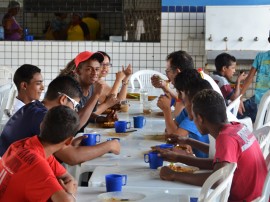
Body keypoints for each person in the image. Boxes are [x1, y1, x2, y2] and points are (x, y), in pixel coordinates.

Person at [159, 89, 267, 201]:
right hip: (259, 197)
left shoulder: (226, 138)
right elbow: (218, 165)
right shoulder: (237, 127)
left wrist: (174, 175)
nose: (193, 121)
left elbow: (218, 180)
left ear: (200, 118)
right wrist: (180, 154)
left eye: (194, 117)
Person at [0, 76, 120, 165]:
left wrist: (63, 145)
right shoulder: (43, 118)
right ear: (63, 99)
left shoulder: (36, 108)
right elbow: (72, 158)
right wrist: (110, 145)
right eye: (75, 105)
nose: (74, 110)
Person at [0, 105, 78, 201]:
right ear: (68, 141)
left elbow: (68, 178)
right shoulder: (37, 164)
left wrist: (68, 187)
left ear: (41, 125)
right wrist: (70, 194)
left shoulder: (22, 145)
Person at [158, 69, 212, 158]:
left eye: (180, 92)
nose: (178, 96)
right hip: (199, 158)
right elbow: (171, 133)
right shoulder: (189, 109)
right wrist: (186, 142)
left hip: (203, 161)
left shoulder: (198, 111)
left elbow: (173, 137)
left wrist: (166, 110)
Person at [60, 51, 119, 124]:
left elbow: (88, 113)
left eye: (97, 69)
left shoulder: (91, 87)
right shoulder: (70, 90)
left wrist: (101, 119)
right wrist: (96, 95)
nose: (95, 73)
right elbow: (74, 122)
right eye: (89, 69)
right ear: (78, 71)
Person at [152, 50, 194, 116]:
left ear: (177, 72)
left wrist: (166, 110)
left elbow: (176, 123)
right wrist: (164, 87)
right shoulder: (190, 84)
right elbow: (178, 103)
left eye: (168, 71)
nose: (166, 75)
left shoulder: (189, 93)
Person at [239, 34, 270, 122]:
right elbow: (249, 78)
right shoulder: (260, 57)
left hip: (262, 101)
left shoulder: (261, 57)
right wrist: (239, 98)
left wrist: (240, 98)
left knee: (263, 128)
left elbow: (249, 78)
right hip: (261, 101)